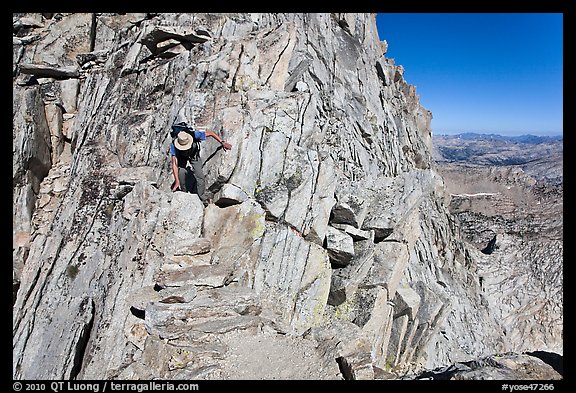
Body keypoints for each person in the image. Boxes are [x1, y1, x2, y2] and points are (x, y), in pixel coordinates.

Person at [170, 126, 232, 206]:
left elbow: (211, 134)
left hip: (193, 155)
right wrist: (177, 181)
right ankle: (183, 194)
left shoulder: (194, 135)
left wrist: (222, 142)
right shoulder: (174, 145)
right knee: (181, 172)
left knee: (200, 176)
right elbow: (174, 163)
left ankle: (202, 198)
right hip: (181, 157)